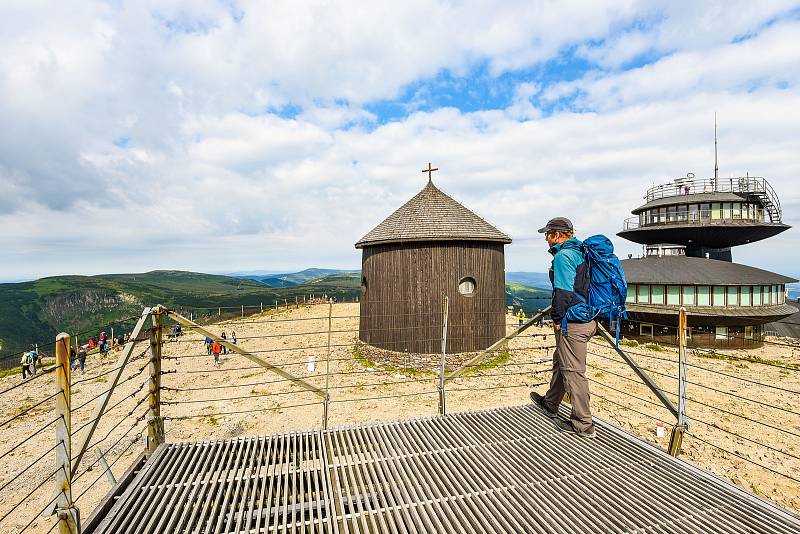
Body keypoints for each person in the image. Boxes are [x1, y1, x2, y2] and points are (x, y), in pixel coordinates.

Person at [530, 217, 597, 438]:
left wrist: (557, 318)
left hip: (573, 322)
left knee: (573, 372)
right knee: (561, 361)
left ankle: (583, 424)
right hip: (587, 317)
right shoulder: (581, 252)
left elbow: (563, 292)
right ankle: (551, 403)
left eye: (547, 235)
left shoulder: (563, 256)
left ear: (556, 235)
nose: (546, 239)